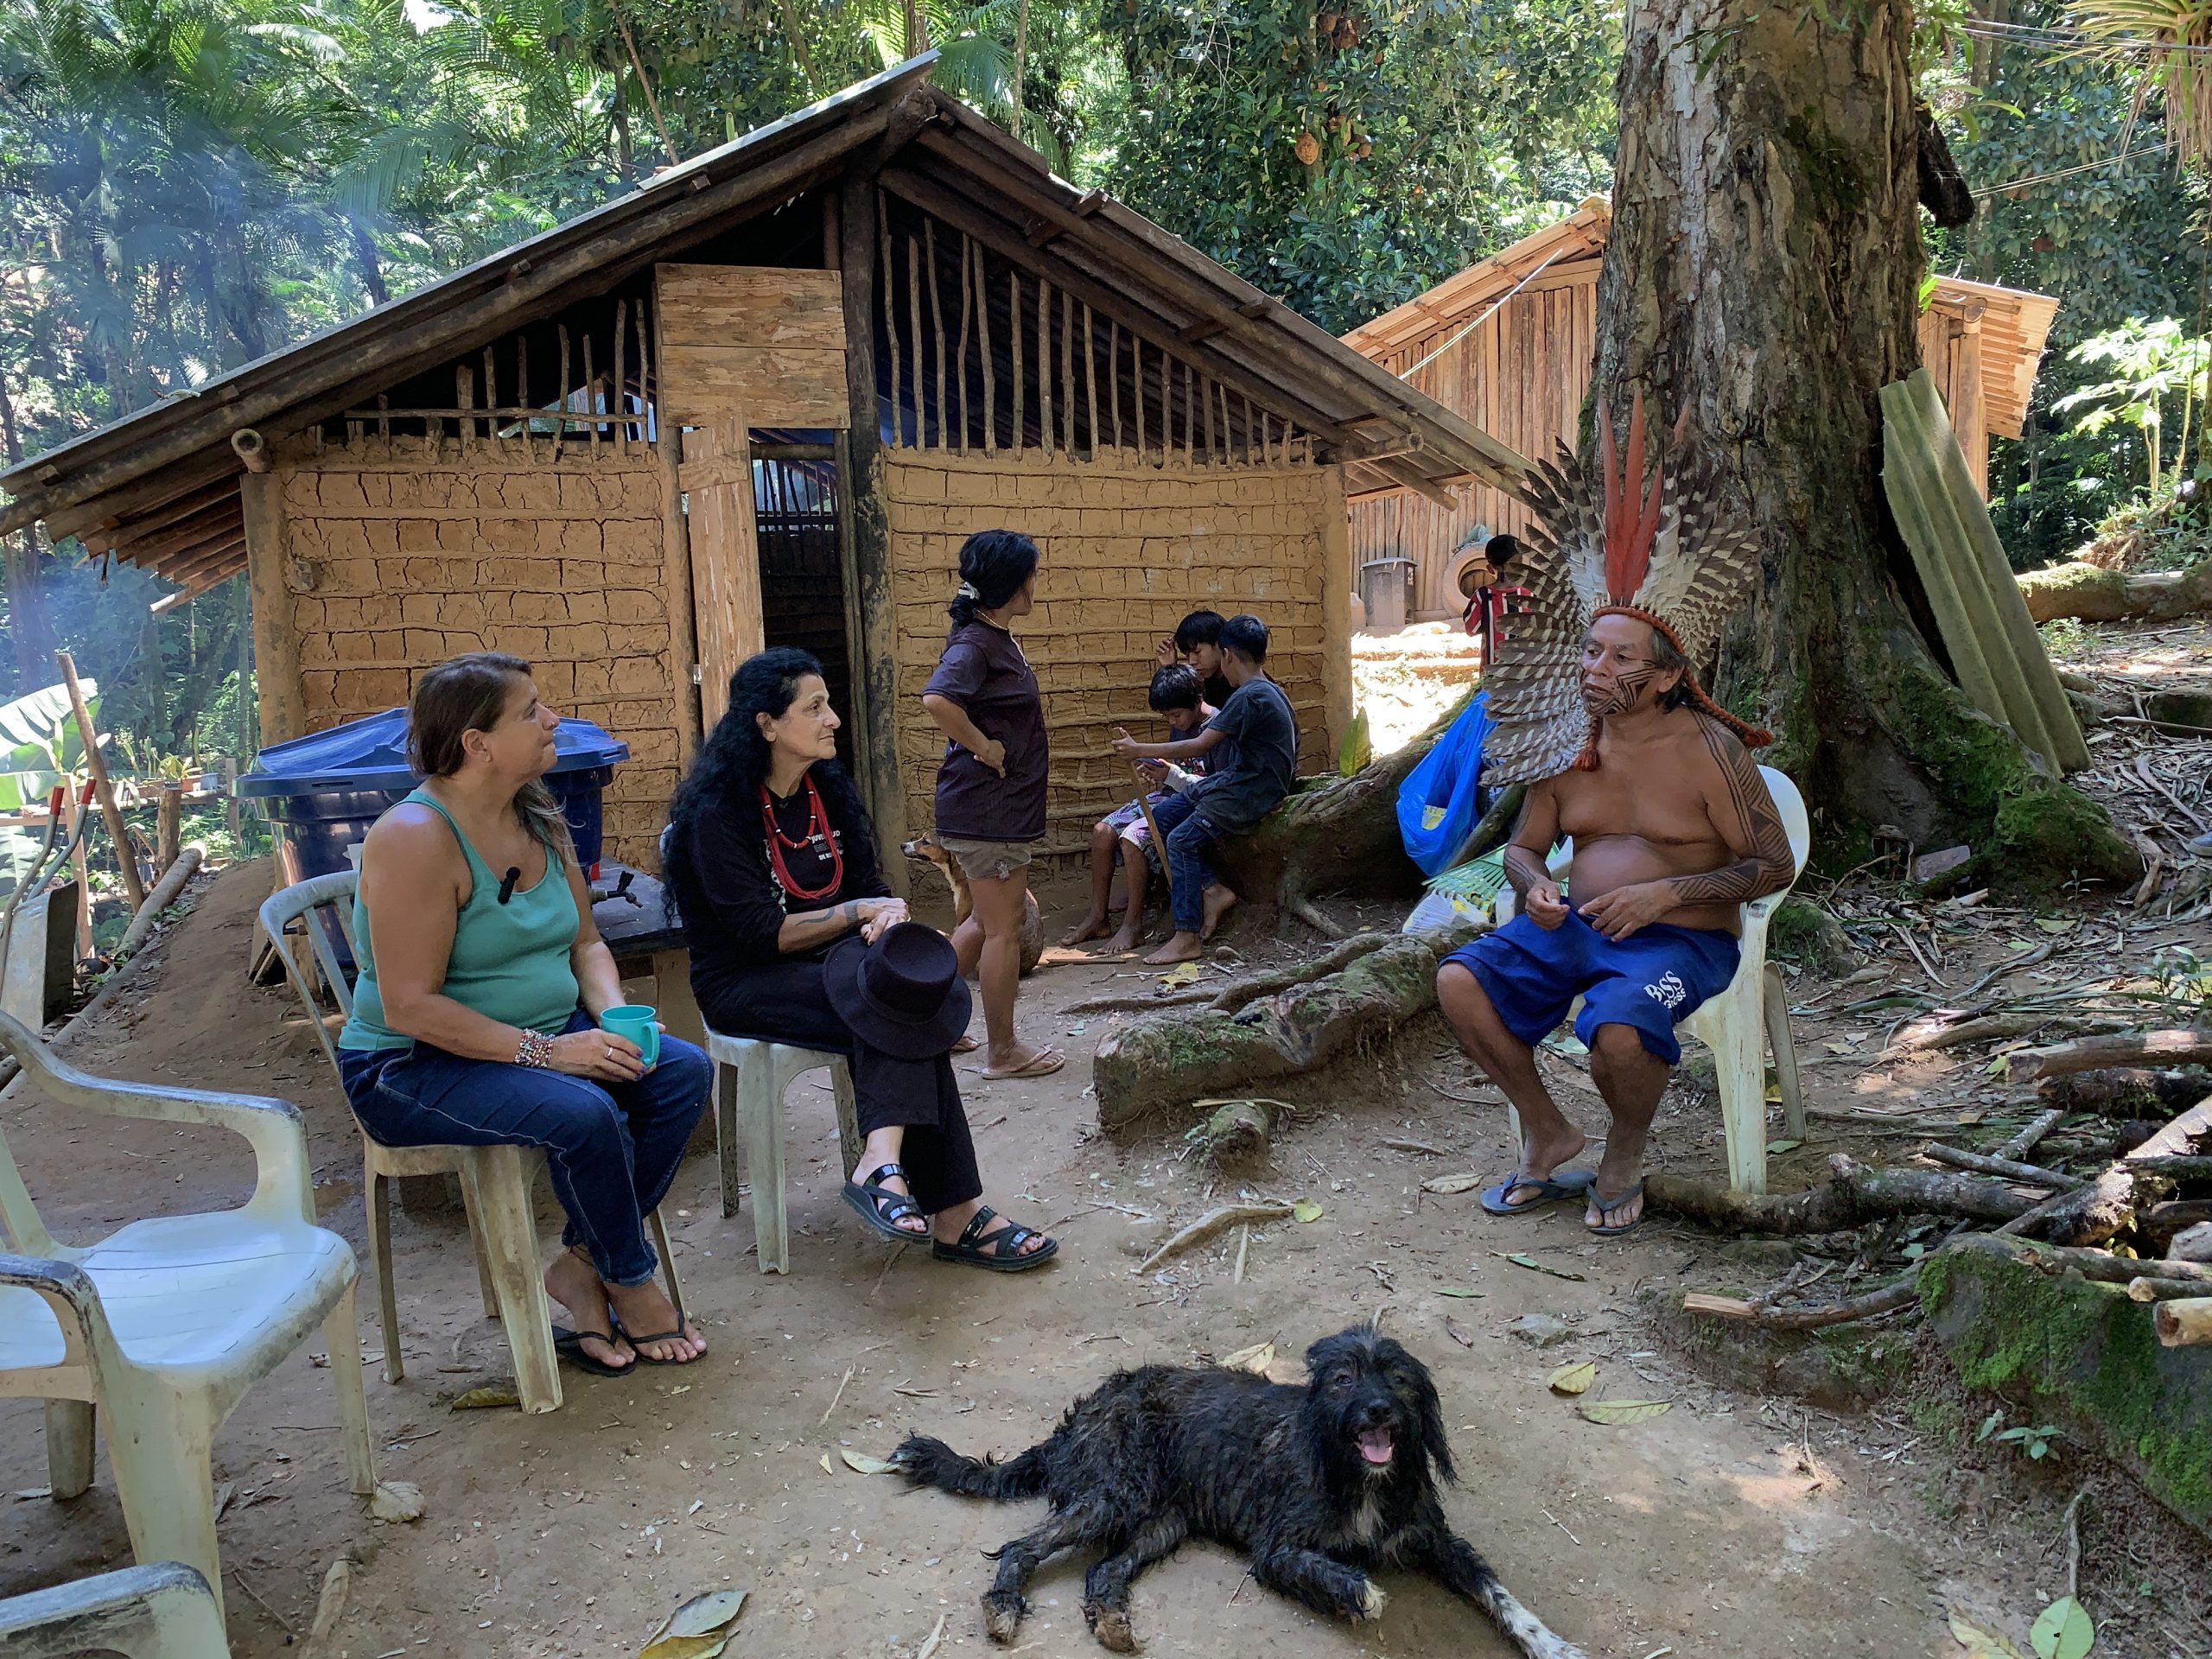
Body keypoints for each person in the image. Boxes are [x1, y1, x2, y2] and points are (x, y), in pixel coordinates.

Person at [1438, 394, 1793, 1237]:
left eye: (1619, 658)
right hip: (1574, 926)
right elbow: (1525, 850)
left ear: (1667, 675)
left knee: (1620, 1037)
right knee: (1459, 981)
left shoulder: (1710, 752)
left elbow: (1770, 868)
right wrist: (1531, 889)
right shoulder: (1569, 742)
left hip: (1682, 940)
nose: (1595, 669)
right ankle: (1548, 1127)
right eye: (1591, 650)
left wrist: (1665, 896)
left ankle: (1625, 1146)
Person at [337, 653, 712, 1375]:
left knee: (679, 1074)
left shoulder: (536, 815)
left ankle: (579, 1264)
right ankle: (631, 1283)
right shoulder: (414, 837)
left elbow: (586, 942)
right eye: (531, 710)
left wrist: (610, 1019)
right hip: (410, 1064)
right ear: (477, 744)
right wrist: (555, 1055)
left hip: (539, 1040)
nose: (553, 720)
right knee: (583, 1112)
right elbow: (408, 1005)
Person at [663, 648, 1057, 1270]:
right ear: (766, 724)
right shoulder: (720, 813)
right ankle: (950, 1211)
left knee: (914, 989)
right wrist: (860, 914)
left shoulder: (826, 791)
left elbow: (867, 886)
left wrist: (887, 913)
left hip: (840, 965)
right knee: (898, 1005)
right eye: (813, 707)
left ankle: (884, 1163)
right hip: (746, 980)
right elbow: (758, 935)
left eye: (828, 705)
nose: (834, 720)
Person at [920, 529, 1064, 1081]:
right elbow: (938, 698)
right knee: (1005, 928)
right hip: (989, 812)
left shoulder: (990, 634)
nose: (1036, 583)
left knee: (984, 921)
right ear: (1012, 585)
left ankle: (933, 1020)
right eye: (1031, 574)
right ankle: (1002, 1052)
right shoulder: (975, 644)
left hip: (991, 810)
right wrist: (985, 747)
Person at [1111, 613, 1298, 965]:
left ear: (1227, 655)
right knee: (1163, 817)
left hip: (1251, 791)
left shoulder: (1250, 697)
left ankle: (1187, 936)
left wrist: (1139, 750)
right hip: (1236, 782)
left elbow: (1199, 746)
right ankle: (1212, 890)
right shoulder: (1265, 690)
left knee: (1181, 840)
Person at [1063, 664, 1218, 952]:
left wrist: (1169, 774)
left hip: (1192, 802)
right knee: (1102, 832)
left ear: (1198, 701)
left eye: (1175, 715)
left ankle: (1133, 925)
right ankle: (1099, 916)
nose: (1173, 721)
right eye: (1167, 716)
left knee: (1132, 837)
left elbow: (1210, 787)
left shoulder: (1216, 728)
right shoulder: (1181, 719)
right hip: (1168, 795)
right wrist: (1159, 771)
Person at [1154, 609, 1232, 707]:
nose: (1191, 661)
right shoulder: (1199, 683)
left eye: (1197, 652)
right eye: (1187, 655)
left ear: (1219, 644)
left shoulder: (1240, 683)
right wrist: (1170, 669)